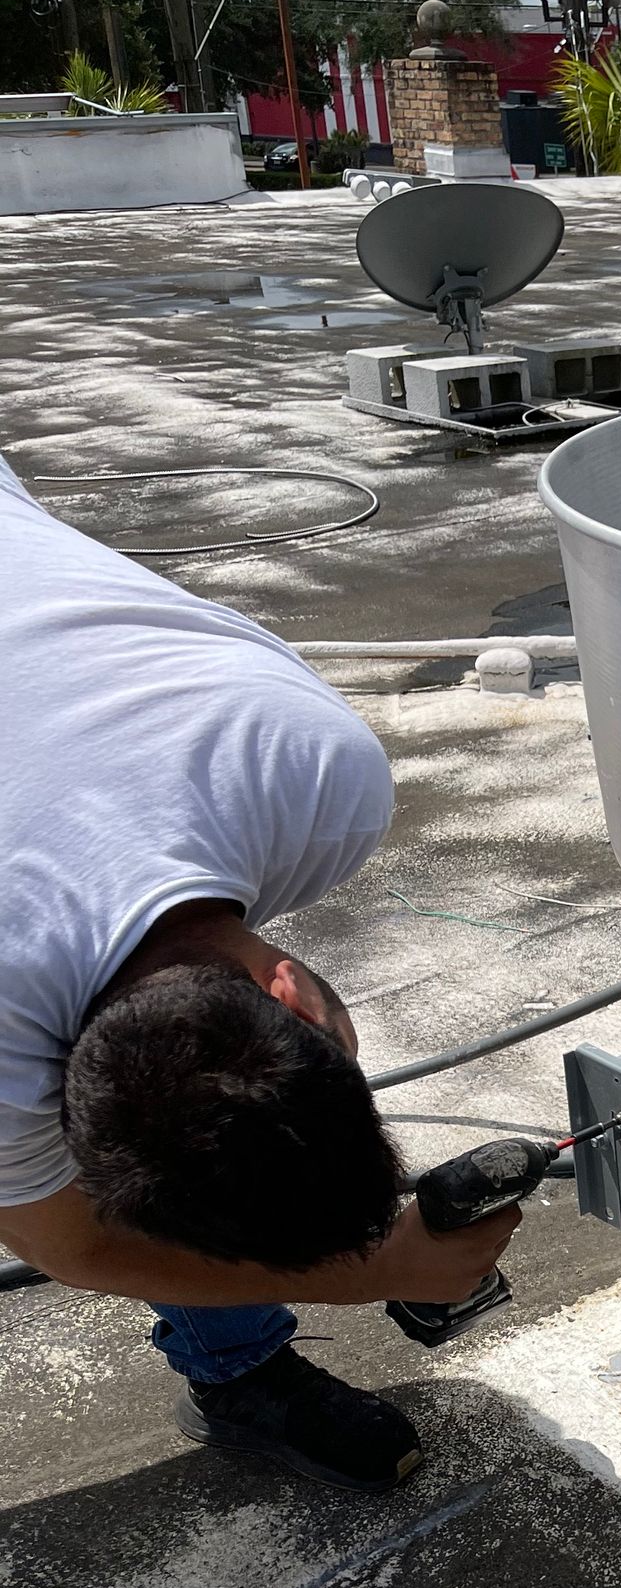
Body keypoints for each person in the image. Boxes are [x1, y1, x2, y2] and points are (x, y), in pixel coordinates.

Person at [0, 457, 520, 1492]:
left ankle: (233, 1358)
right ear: (284, 990)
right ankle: (240, 1372)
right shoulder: (320, 790)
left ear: (288, 993)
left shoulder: (316, 777)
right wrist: (376, 1270)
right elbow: (76, 1243)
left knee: (198, 1146)